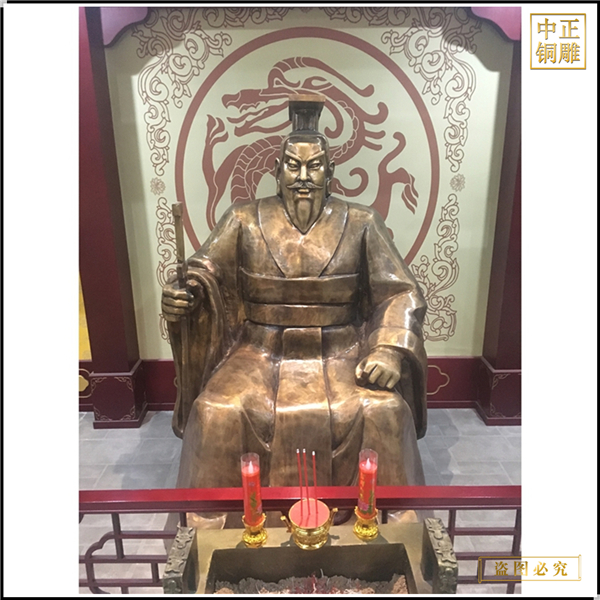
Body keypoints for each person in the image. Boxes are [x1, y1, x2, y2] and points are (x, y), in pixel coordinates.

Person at [162, 94, 427, 494]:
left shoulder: (362, 222)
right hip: (258, 350)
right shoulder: (243, 219)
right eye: (292, 165)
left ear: (330, 172)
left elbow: (400, 292)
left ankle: (385, 516)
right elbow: (205, 273)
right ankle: (215, 520)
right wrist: (185, 294)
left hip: (341, 350)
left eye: (314, 166)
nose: (303, 176)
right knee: (217, 412)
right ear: (276, 171)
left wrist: (389, 350)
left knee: (384, 412)